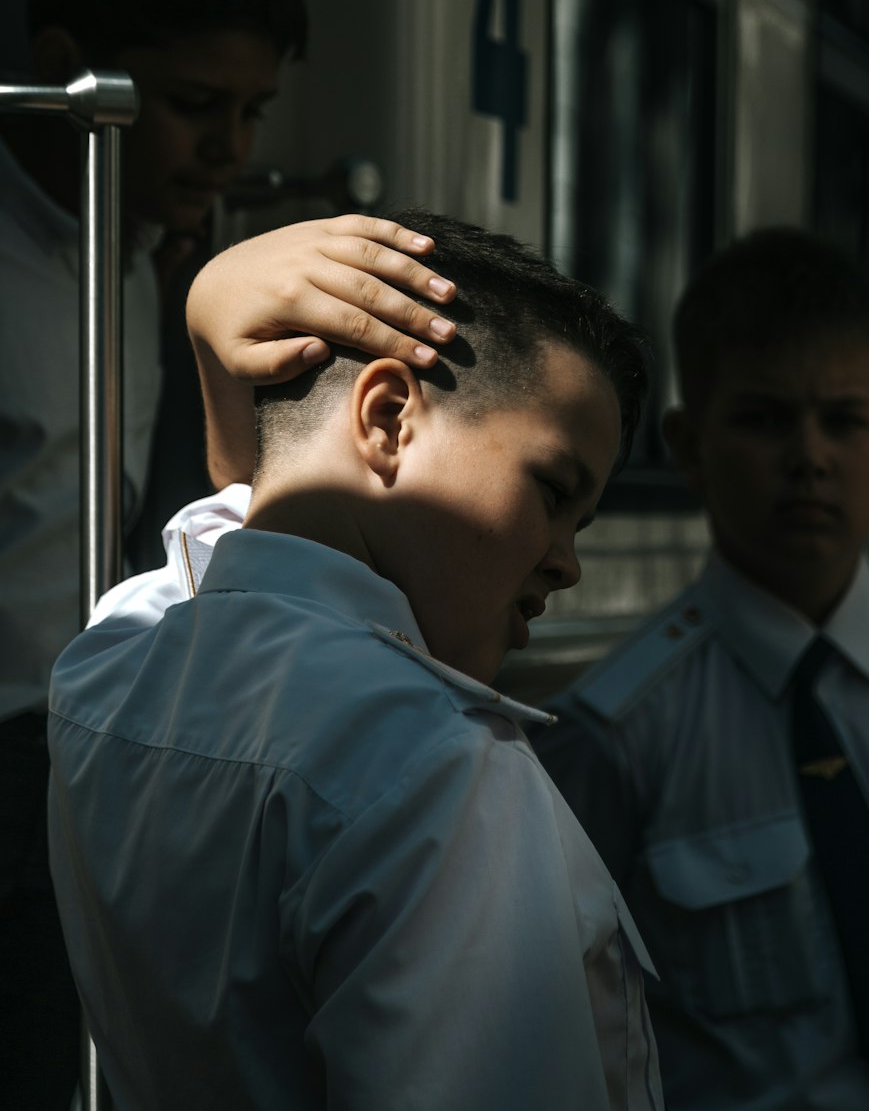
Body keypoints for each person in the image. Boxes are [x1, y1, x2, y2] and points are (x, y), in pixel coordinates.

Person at [0, 0, 456, 1109]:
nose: (232, 148)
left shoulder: (148, 258)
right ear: (64, 71)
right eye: (200, 104)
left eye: (254, 113)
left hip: (73, 753)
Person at [47, 212, 664, 1110]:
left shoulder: (109, 664)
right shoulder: (438, 770)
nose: (567, 562)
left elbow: (247, 540)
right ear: (385, 417)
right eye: (553, 492)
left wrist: (212, 317)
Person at [533, 227, 869, 1111]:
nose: (810, 458)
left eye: (844, 421)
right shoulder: (615, 732)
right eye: (763, 419)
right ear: (688, 446)